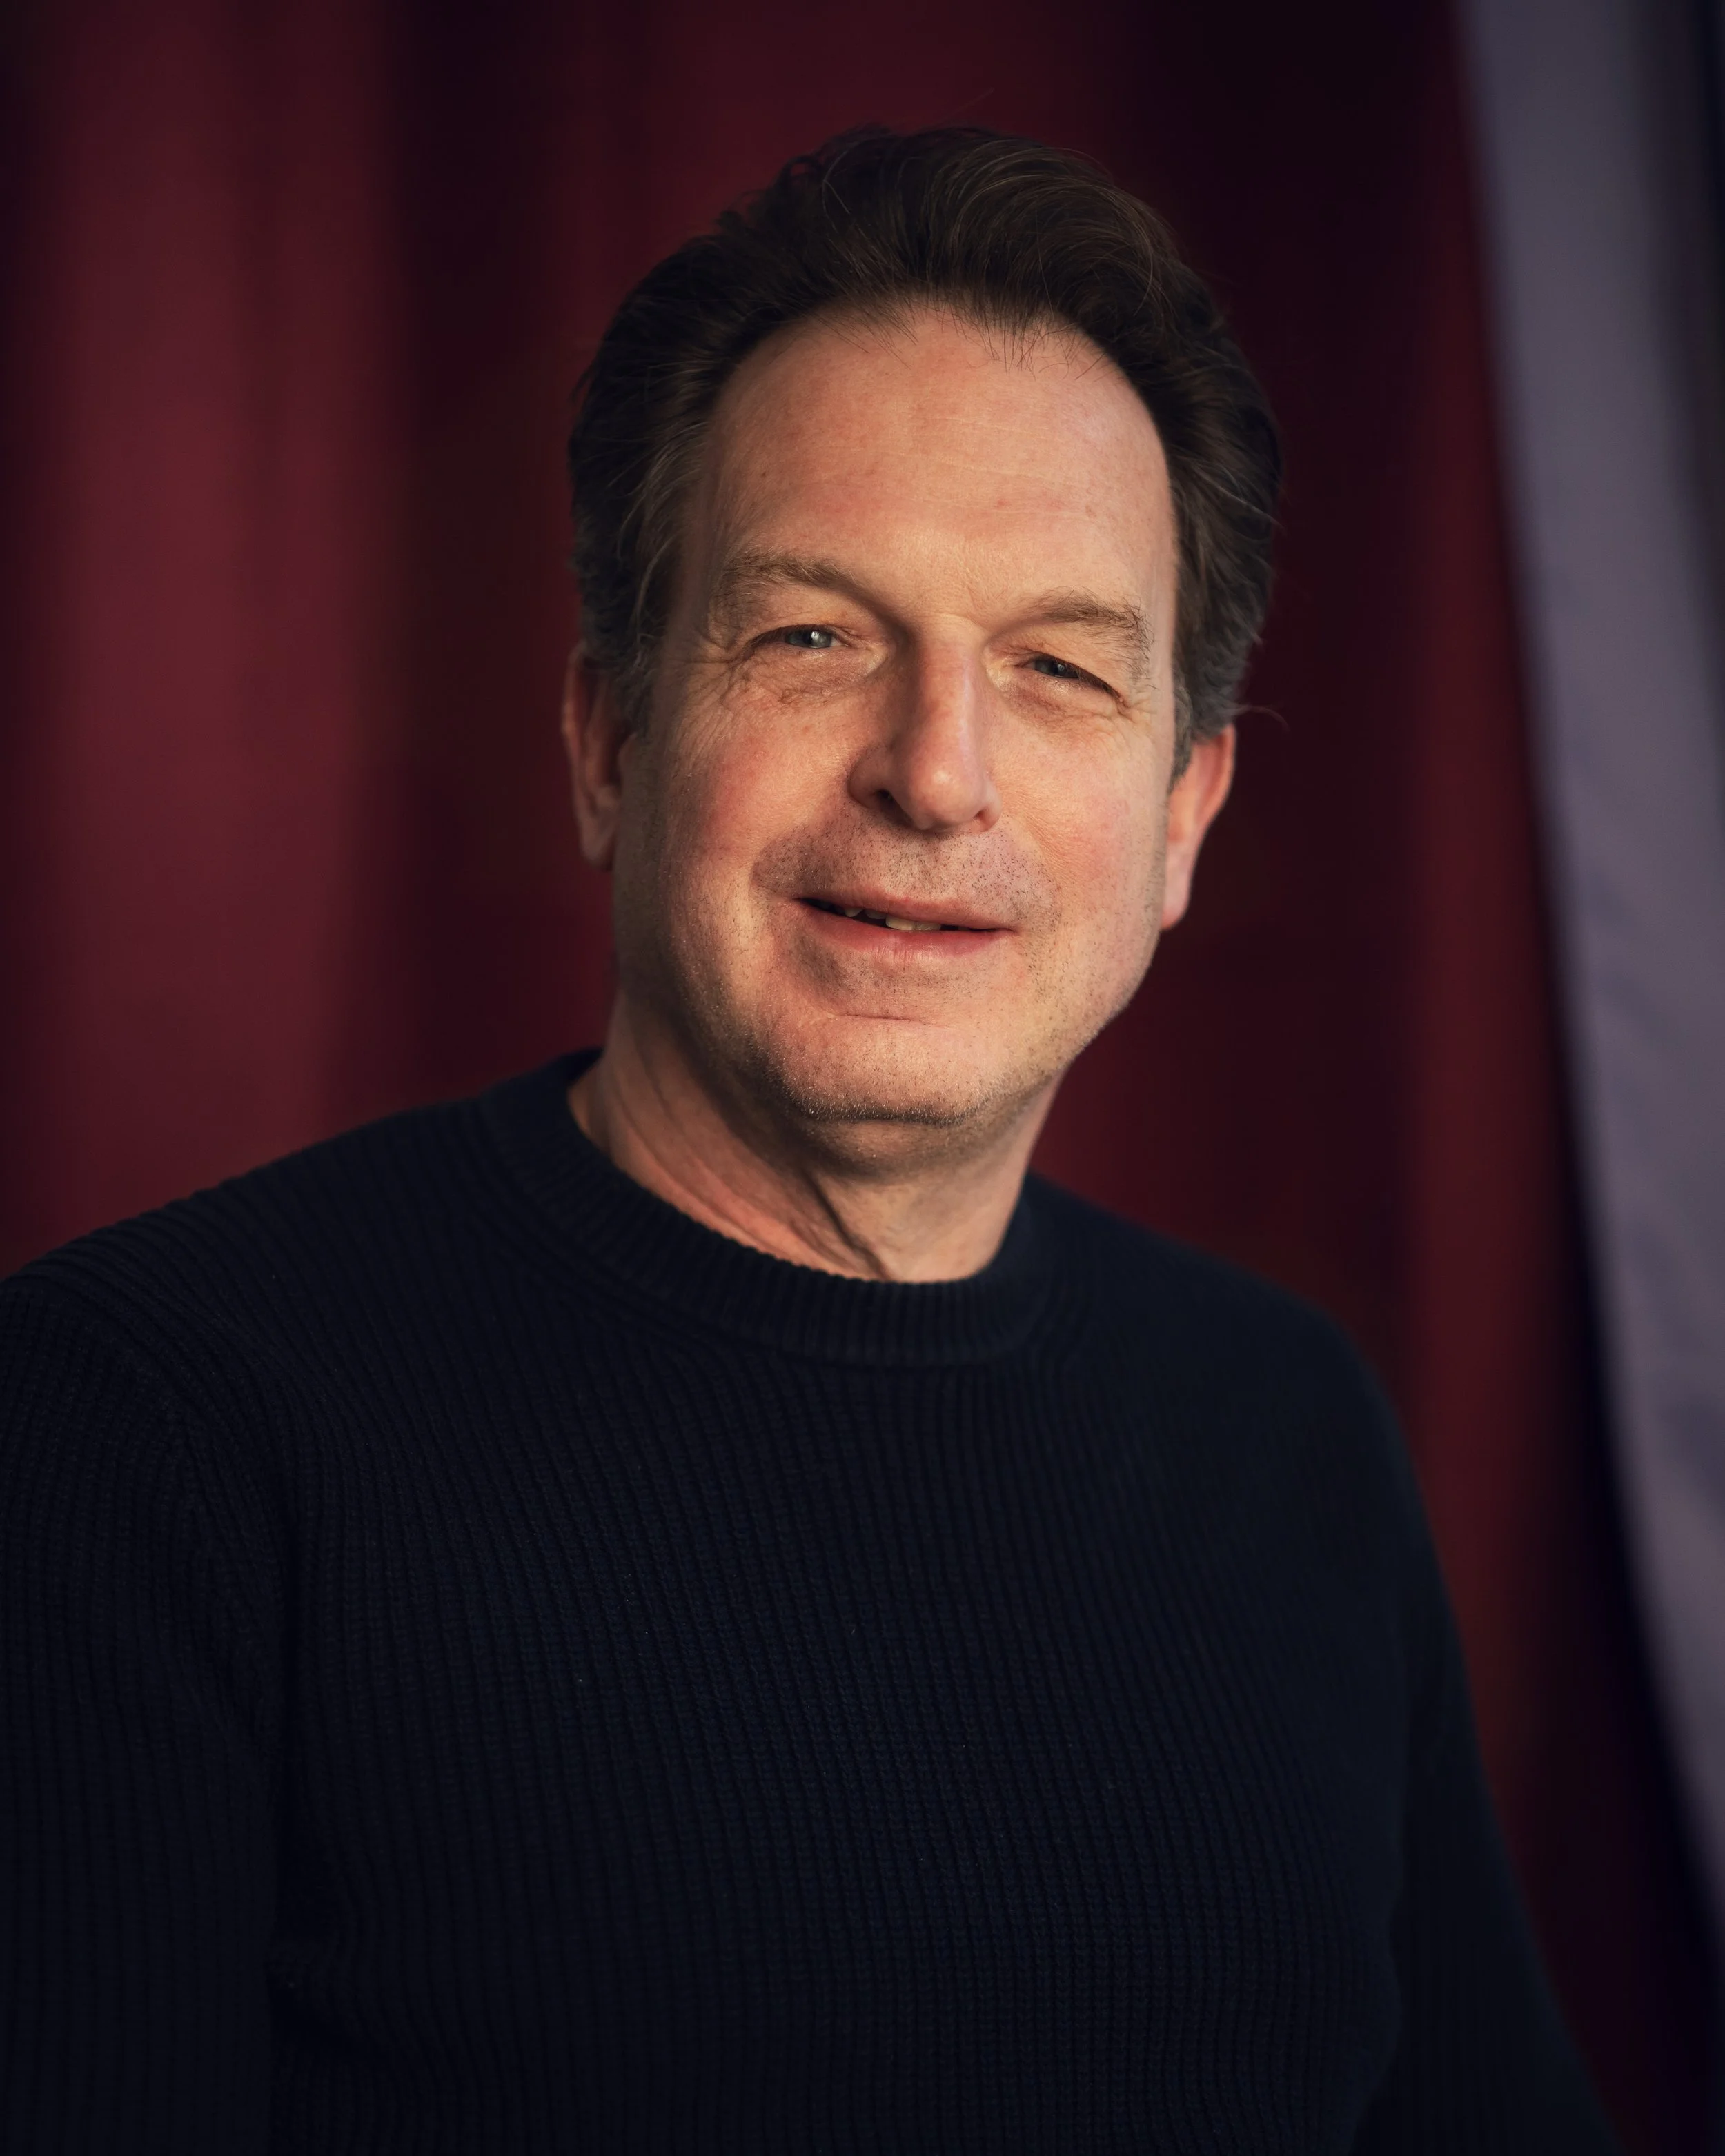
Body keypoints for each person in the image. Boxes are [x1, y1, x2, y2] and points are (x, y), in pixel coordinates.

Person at [0, 126, 1617, 2153]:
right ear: (608, 739)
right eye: (810, 637)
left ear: (1184, 816)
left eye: (1054, 669)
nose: (934, 774)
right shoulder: (139, 1432)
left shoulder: (1286, 1430)